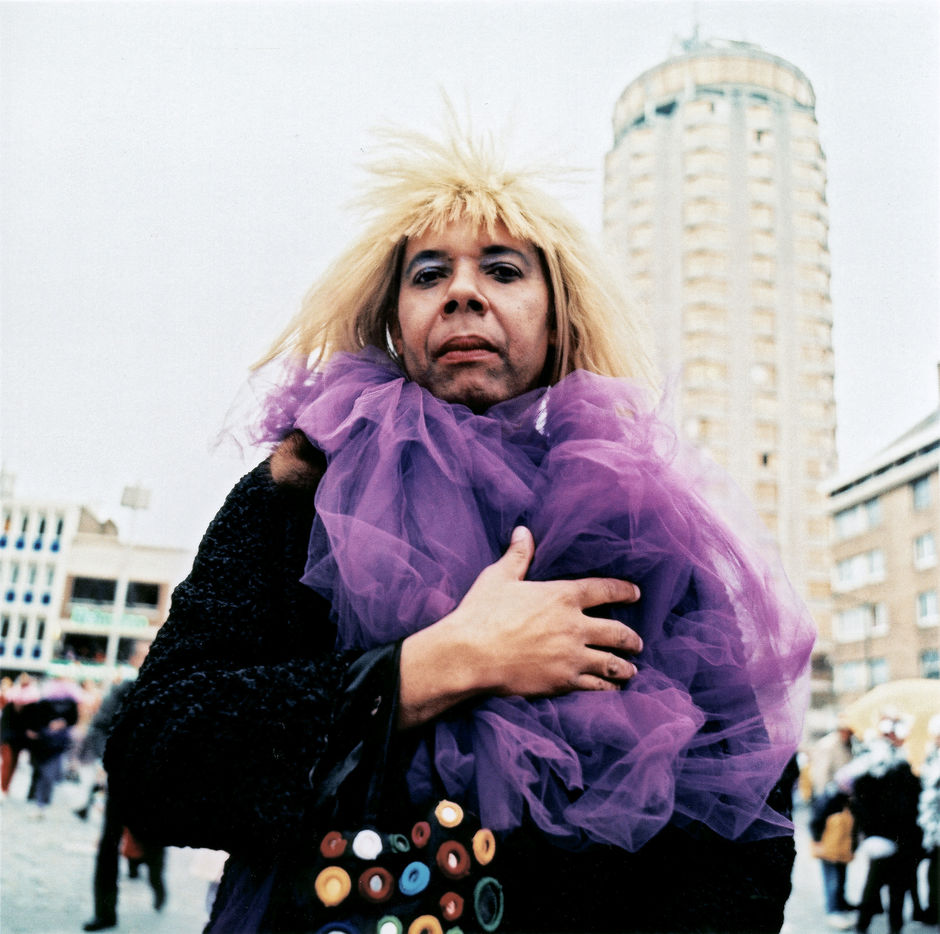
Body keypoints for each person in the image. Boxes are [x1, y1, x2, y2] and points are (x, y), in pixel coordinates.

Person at [105, 122, 814, 933]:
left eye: (504, 270)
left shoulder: (643, 519)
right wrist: (437, 665)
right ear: (394, 319)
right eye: (429, 273)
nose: (464, 293)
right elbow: (155, 758)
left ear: (558, 320)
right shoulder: (302, 485)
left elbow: (744, 828)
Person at [81, 642, 166, 932]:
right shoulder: (124, 690)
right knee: (109, 843)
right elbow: (100, 726)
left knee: (153, 839)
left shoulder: (173, 688)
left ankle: (157, 883)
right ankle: (104, 912)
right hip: (121, 777)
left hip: (154, 781)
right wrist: (110, 761)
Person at [841, 711, 927, 934]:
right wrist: (873, 830)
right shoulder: (875, 763)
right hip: (887, 835)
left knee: (892, 887)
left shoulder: (899, 764)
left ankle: (882, 926)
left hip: (899, 836)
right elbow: (861, 799)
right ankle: (867, 925)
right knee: (878, 884)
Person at [918, 714, 940, 928]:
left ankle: (935, 910)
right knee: (934, 871)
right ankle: (933, 909)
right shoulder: (932, 756)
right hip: (933, 826)